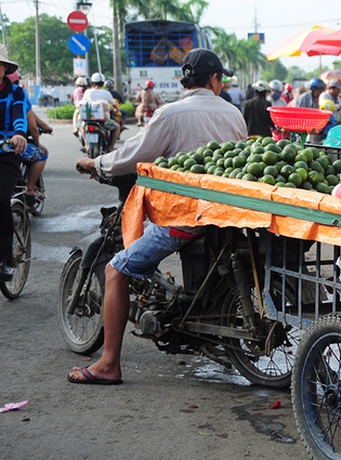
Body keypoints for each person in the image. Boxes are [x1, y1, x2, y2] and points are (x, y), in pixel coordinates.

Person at [68, 48, 248, 385]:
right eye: (220, 77)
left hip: (186, 218)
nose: (221, 82)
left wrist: (97, 163)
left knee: (114, 270)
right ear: (213, 79)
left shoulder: (171, 114)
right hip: (227, 214)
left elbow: (131, 155)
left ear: (186, 80)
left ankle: (108, 364)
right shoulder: (234, 114)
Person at [0, 46, 28, 282]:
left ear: (5, 69)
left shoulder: (16, 93)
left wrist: (19, 134)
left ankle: (6, 260)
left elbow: (20, 117)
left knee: (0, 201)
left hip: (8, 152)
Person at [8, 71, 51, 201]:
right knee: (42, 155)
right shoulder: (19, 96)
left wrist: (46, 127)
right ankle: (30, 188)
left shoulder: (17, 96)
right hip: (13, 144)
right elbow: (33, 126)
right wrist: (38, 144)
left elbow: (34, 118)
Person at [80, 72, 122, 152]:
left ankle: (86, 145)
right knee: (117, 127)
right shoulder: (107, 93)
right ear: (103, 83)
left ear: (93, 83)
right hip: (103, 121)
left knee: (82, 127)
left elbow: (82, 103)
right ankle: (111, 147)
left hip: (89, 120)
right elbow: (115, 106)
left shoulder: (88, 92)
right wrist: (116, 109)